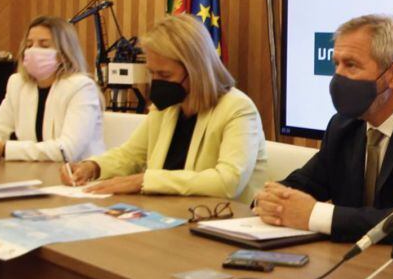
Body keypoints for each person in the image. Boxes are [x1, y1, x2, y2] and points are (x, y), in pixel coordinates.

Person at [253, 14, 393, 260]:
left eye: (350, 65)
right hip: (365, 266)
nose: (337, 77)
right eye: (336, 64)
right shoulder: (344, 126)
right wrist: (272, 198)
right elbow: (308, 181)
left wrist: (316, 215)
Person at [61, 13, 267, 200]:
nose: (157, 82)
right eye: (152, 73)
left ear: (196, 70)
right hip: (167, 214)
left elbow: (227, 182)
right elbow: (131, 155)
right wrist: (92, 167)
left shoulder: (237, 109)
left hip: (219, 221)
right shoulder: (167, 107)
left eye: (165, 75)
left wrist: (144, 181)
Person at [0, 16, 103, 162]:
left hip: (77, 176)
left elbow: (67, 150)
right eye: (29, 44)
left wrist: (4, 149)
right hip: (33, 172)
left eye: (44, 45)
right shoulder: (18, 83)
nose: (33, 50)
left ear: (64, 54)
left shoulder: (81, 87)